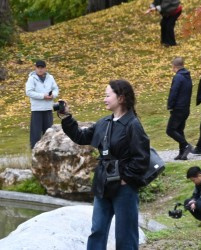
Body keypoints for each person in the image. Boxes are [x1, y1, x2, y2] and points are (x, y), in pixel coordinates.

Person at [59, 79, 151, 250]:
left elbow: (142, 158)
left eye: (107, 95)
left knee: (126, 236)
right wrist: (66, 116)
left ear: (121, 98)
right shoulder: (104, 122)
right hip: (103, 183)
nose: (104, 99)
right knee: (97, 231)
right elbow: (81, 136)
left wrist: (125, 178)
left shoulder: (133, 125)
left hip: (124, 188)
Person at [25, 59, 60, 149]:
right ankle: (34, 150)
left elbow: (56, 89)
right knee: (36, 133)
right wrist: (42, 96)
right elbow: (29, 92)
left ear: (45, 68)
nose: (40, 69)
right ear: (35, 68)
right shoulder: (31, 79)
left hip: (48, 108)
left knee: (48, 132)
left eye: (42, 67)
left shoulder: (50, 78)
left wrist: (53, 95)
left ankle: (48, 149)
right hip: (37, 109)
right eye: (38, 67)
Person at [166, 57, 193, 160]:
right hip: (186, 107)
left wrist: (170, 105)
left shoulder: (178, 77)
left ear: (174, 66)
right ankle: (182, 153)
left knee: (170, 130)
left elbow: (174, 92)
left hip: (178, 108)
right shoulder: (187, 76)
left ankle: (186, 145)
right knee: (179, 130)